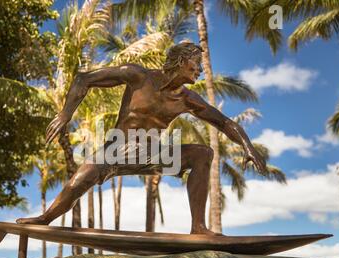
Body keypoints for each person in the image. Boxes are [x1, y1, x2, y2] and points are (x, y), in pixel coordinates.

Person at [17, 42, 267, 235]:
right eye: (196, 63)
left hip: (153, 154)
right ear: (181, 61)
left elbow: (225, 123)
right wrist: (65, 113)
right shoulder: (139, 76)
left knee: (203, 153)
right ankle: (45, 218)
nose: (200, 70)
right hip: (115, 151)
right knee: (76, 185)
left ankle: (198, 227)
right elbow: (85, 78)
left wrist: (248, 146)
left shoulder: (188, 99)